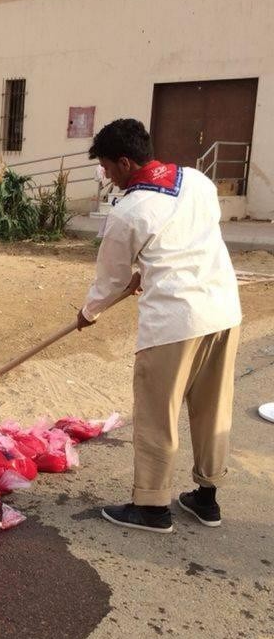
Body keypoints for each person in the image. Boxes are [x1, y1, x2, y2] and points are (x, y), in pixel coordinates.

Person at [77, 118, 241, 533]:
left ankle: (151, 507)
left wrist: (88, 313)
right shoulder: (197, 180)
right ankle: (207, 499)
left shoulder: (128, 211)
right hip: (223, 309)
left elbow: (109, 280)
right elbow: (192, 234)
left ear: (126, 162)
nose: (108, 177)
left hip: (175, 320)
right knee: (212, 408)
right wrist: (147, 271)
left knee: (157, 412)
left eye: (109, 168)